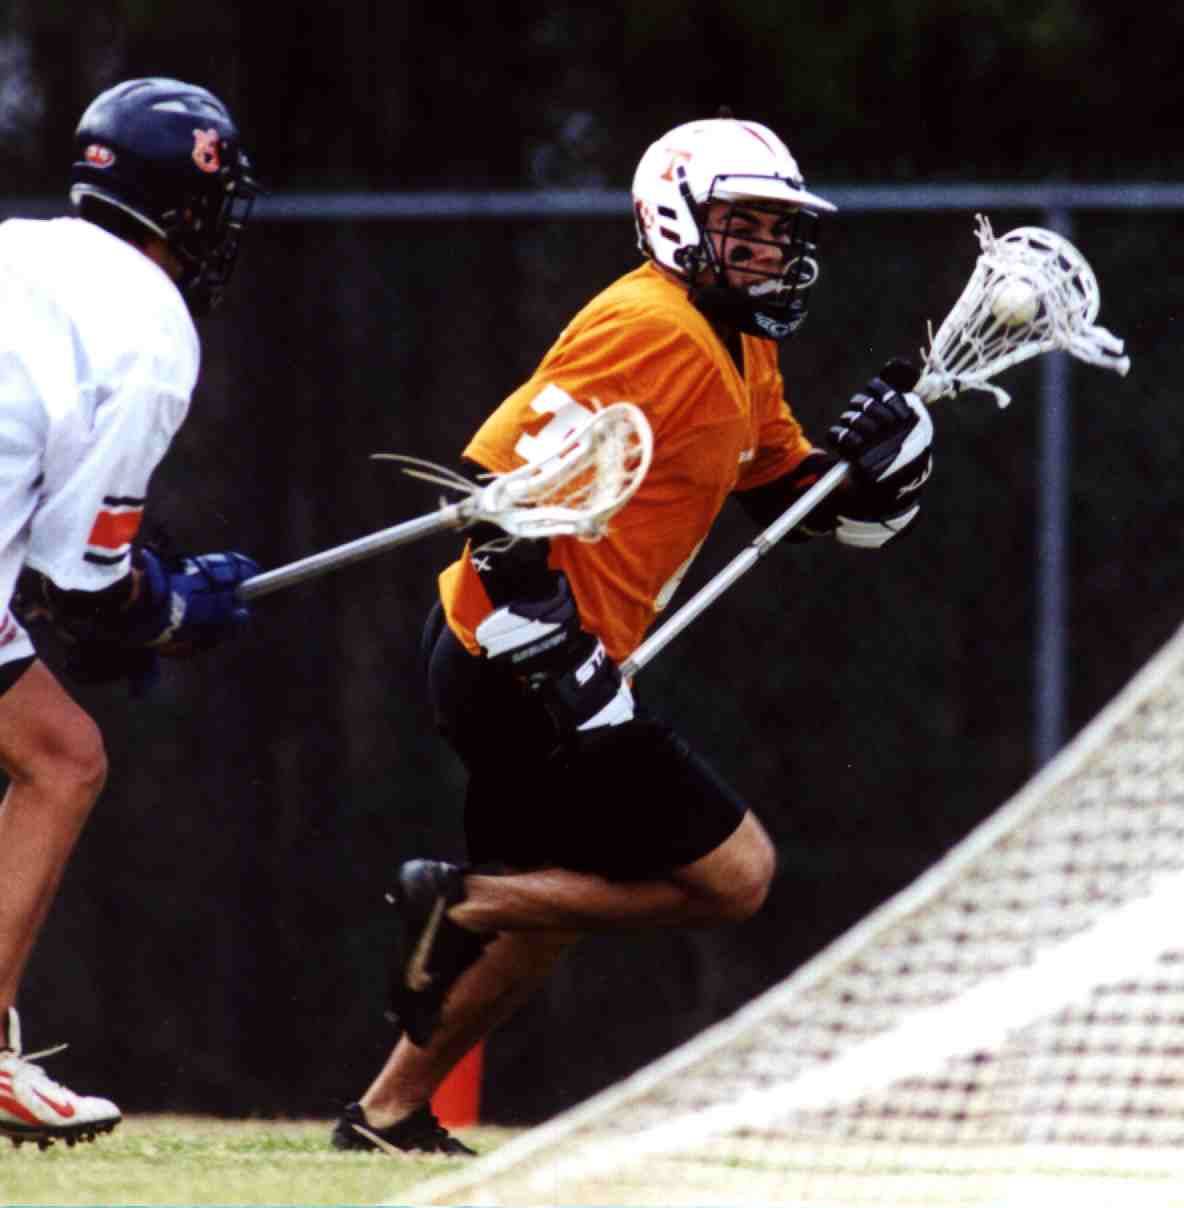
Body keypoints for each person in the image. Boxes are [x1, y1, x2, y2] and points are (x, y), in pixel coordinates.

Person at [331, 114, 934, 1155]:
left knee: (554, 909)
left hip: (532, 657)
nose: (770, 248)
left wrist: (872, 462)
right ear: (676, 218)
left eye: (780, 228)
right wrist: (555, 651)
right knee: (734, 875)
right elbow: (492, 486)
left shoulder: (738, 337)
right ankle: (460, 903)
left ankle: (386, 1111)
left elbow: (780, 491)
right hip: (516, 661)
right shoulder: (654, 326)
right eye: (745, 225)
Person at [0, 78, 262, 1149]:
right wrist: (169, 607)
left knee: (58, 748)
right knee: (63, 762)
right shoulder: (152, 329)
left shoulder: (21, 244)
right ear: (190, 205)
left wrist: (126, 600)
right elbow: (84, 579)